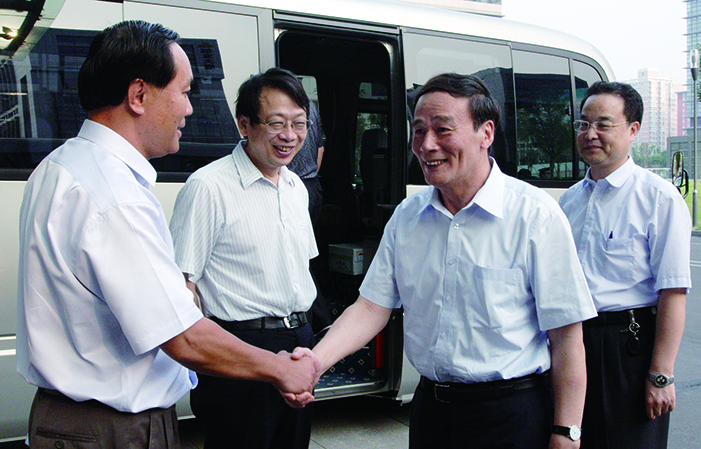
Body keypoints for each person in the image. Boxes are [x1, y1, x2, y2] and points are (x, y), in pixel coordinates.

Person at [16, 21, 317, 449]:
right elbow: (182, 335)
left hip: (71, 419)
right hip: (112, 428)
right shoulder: (114, 196)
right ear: (139, 95)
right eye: (184, 91)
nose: (189, 109)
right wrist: (282, 369)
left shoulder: (61, 165)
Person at [293, 72, 597, 449]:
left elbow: (566, 337)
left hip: (510, 416)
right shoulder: (407, 217)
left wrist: (567, 431)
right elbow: (371, 307)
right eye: (419, 130)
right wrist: (315, 362)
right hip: (432, 413)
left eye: (442, 129)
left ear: (486, 133)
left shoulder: (535, 216)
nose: (426, 145)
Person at [169, 67, 318, 449]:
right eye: (276, 123)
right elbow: (182, 284)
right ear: (244, 124)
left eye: (299, 123)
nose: (290, 135)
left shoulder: (295, 187)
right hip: (240, 348)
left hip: (299, 342)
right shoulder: (208, 187)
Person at [559, 81, 691, 449]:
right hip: (572, 343)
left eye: (603, 124)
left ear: (633, 130)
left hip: (627, 348)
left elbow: (673, 292)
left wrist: (661, 374)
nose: (590, 134)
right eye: (583, 124)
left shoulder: (658, 198)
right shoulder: (569, 201)